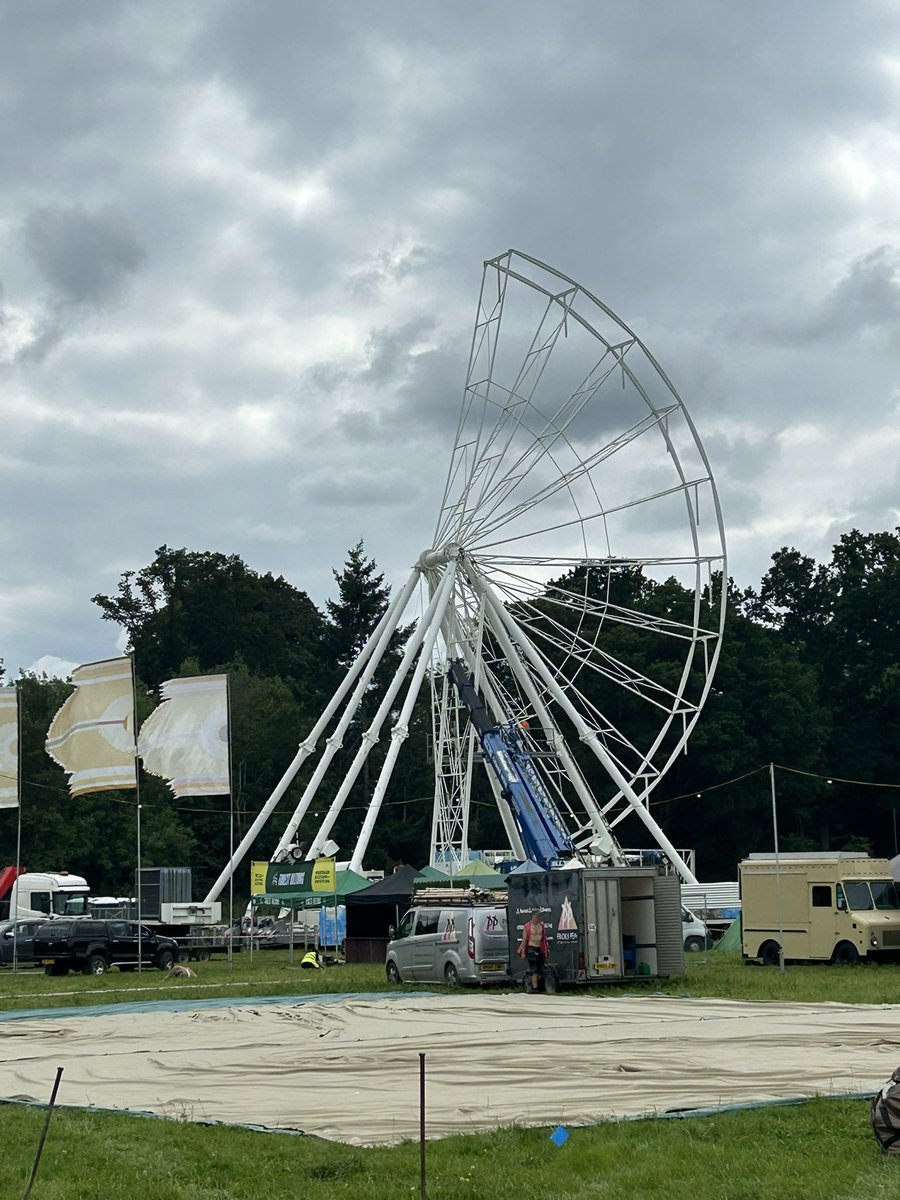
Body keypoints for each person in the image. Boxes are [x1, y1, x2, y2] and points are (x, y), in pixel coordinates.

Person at [517, 910, 549, 992]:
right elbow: (524, 939)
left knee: (540, 969)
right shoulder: (527, 926)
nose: (539, 919)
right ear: (534, 917)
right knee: (534, 969)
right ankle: (534, 988)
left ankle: (534, 984)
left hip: (539, 948)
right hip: (531, 948)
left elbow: (544, 939)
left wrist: (546, 950)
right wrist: (521, 950)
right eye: (537, 917)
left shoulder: (541, 926)